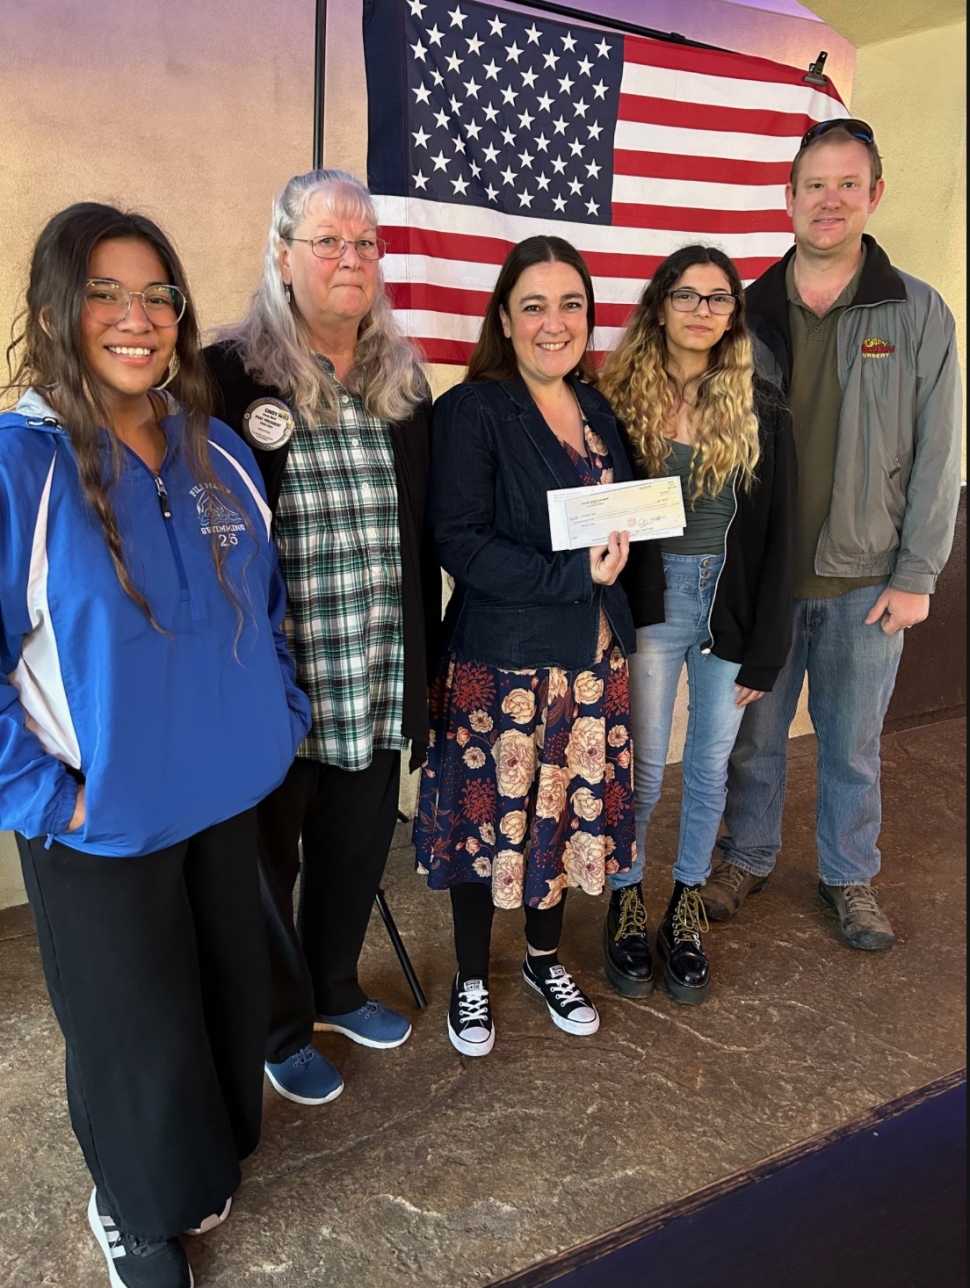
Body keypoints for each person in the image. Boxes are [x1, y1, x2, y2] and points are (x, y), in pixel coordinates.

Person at [0, 203, 310, 1288]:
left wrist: (280, 718)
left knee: (229, 1004)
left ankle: (196, 1167)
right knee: (137, 1037)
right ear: (57, 309)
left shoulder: (219, 445)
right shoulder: (17, 468)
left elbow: (268, 607)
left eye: (158, 296)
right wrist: (49, 800)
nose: (138, 318)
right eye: (106, 293)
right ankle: (133, 1203)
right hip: (105, 822)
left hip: (231, 794)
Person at [204, 169, 441, 1106]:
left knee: (354, 849)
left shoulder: (402, 384)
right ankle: (279, 1023)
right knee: (269, 864)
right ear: (283, 254)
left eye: (366, 243)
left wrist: (426, 663)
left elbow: (419, 534)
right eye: (327, 240)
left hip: (376, 669)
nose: (351, 258)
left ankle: (337, 986)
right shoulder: (229, 376)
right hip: (278, 680)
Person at [700, 119, 962, 950]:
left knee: (853, 746)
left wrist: (917, 574)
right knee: (754, 742)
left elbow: (937, 450)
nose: (831, 200)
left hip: (866, 581)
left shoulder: (917, 312)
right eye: (816, 184)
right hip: (766, 580)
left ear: (874, 195)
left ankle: (850, 878)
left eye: (849, 184)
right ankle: (745, 858)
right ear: (789, 197)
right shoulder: (743, 313)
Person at [413, 235, 637, 1057]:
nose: (554, 322)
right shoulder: (474, 410)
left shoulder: (598, 410)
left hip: (589, 662)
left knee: (563, 819)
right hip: (500, 667)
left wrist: (619, 566)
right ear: (504, 318)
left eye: (570, 304)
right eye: (534, 305)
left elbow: (620, 525)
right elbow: (460, 542)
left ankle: (543, 960)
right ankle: (473, 978)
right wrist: (573, 576)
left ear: (588, 315)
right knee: (487, 824)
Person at [597, 246, 796, 1004]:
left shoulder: (764, 405)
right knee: (643, 768)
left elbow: (781, 532)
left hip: (730, 607)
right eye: (687, 296)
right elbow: (594, 511)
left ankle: (684, 904)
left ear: (733, 315)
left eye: (719, 299)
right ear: (659, 305)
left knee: (709, 766)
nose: (703, 311)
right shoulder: (614, 399)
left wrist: (765, 654)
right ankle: (625, 897)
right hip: (652, 601)